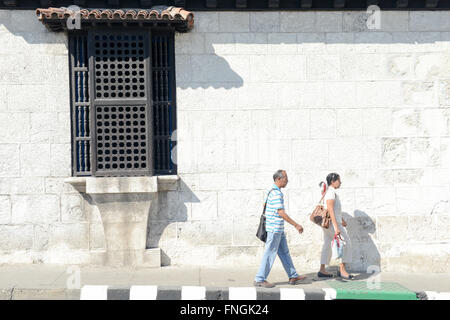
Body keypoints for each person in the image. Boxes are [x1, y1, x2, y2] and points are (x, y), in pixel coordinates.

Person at [254, 169, 307, 288]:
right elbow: (281, 212)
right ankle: (259, 279)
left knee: (284, 253)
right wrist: (296, 224)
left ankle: (293, 275)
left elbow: (265, 206)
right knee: (269, 253)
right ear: (279, 179)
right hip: (274, 229)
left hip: (277, 229)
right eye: (285, 178)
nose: (287, 181)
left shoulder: (270, 191)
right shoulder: (276, 193)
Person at [318, 173, 353, 279]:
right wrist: (337, 227)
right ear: (333, 182)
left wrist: (342, 220)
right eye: (339, 180)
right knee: (346, 243)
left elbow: (334, 210)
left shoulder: (329, 192)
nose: (340, 182)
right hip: (333, 225)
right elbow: (331, 210)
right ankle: (342, 270)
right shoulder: (331, 193)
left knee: (327, 245)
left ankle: (322, 270)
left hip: (330, 224)